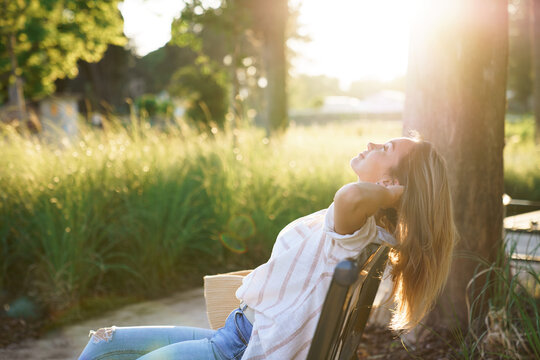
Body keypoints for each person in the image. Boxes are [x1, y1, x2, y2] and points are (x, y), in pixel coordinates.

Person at [78, 136, 457, 360]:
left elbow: (352, 195)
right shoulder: (366, 233)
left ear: (390, 182)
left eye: (386, 147)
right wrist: (396, 194)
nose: (374, 142)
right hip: (234, 333)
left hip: (239, 349)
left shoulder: (355, 231)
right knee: (102, 344)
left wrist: (396, 195)